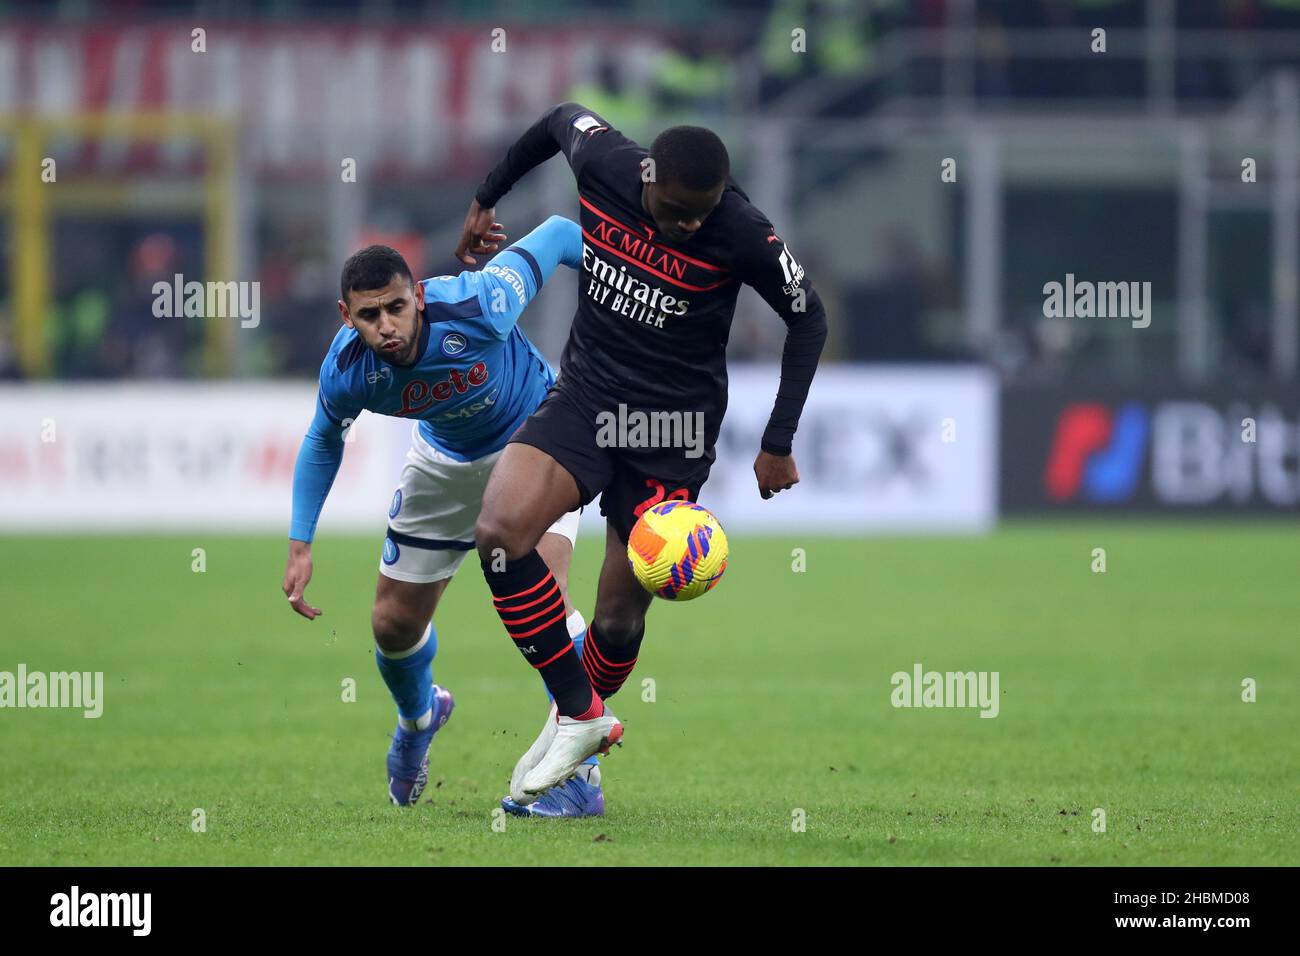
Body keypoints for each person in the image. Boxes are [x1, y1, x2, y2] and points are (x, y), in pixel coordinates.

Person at [455, 103, 828, 811]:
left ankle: (575, 747)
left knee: (619, 618)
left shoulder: (742, 231)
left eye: (703, 213)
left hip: (672, 430)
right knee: (500, 535)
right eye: (677, 210)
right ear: (648, 178)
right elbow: (560, 118)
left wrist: (778, 440)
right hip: (587, 396)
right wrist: (485, 197)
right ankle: (580, 714)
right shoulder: (606, 164)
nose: (689, 225)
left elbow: (808, 316)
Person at [283, 216, 586, 808]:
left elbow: (557, 234)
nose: (387, 326)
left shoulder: (480, 302)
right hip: (444, 464)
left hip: (536, 442)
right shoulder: (348, 371)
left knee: (546, 591)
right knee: (392, 626)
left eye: (396, 306)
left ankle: (577, 776)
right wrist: (301, 542)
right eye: (369, 316)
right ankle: (420, 720)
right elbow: (324, 438)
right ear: (347, 317)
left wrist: (626, 288)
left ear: (418, 295)